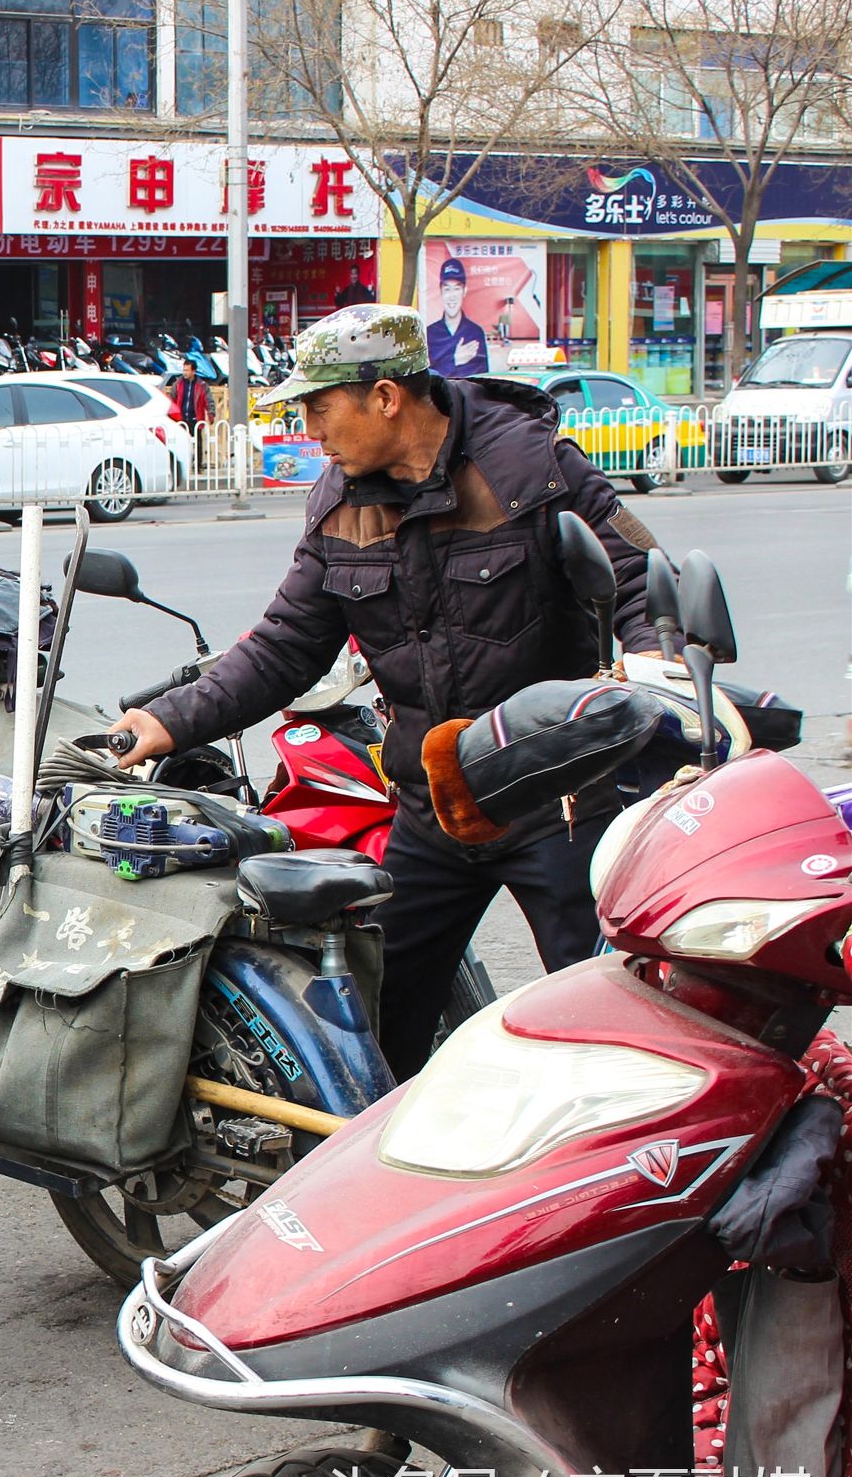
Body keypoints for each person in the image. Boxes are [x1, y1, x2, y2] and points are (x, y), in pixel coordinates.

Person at [103, 305, 665, 1079]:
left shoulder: (530, 466)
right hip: (430, 800)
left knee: (608, 1013)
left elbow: (640, 580)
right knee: (379, 1024)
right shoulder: (339, 500)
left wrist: (651, 669)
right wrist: (165, 723)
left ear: (385, 396)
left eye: (318, 406)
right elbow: (285, 646)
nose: (310, 429)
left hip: (557, 799)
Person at [425, 257, 490, 379]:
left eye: (457, 289)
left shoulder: (475, 332)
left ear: (464, 291)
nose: (452, 296)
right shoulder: (430, 333)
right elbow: (427, 378)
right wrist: (455, 360)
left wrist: (445, 365)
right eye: (447, 289)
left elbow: (482, 377)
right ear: (441, 291)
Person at [165, 355, 214, 430]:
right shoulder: (178, 384)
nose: (185, 373)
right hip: (181, 421)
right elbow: (172, 399)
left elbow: (209, 401)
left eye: (187, 370)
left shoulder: (202, 385)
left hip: (196, 421)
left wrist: (211, 414)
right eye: (184, 370)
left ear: (193, 371)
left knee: (197, 441)